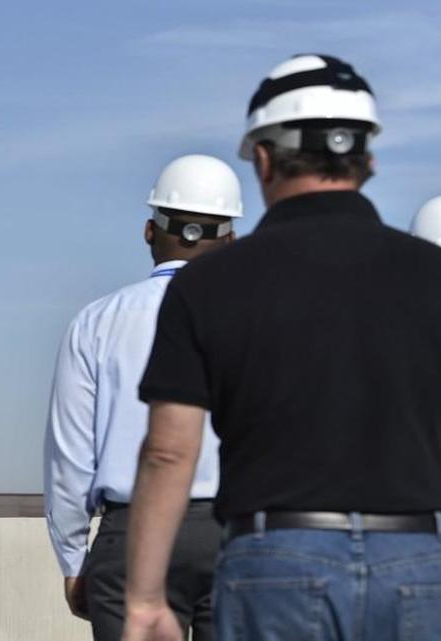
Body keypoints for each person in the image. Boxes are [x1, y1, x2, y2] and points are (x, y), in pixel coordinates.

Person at [124, 54, 441, 641]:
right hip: (417, 560)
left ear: (263, 159)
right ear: (366, 159)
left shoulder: (207, 285)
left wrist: (144, 599)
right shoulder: (432, 274)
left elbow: (168, 452)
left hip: (276, 563)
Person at [45, 154, 242, 640]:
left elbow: (70, 455)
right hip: (235, 535)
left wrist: (73, 558)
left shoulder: (96, 321)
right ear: (231, 241)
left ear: (150, 232)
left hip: (133, 537)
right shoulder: (258, 319)